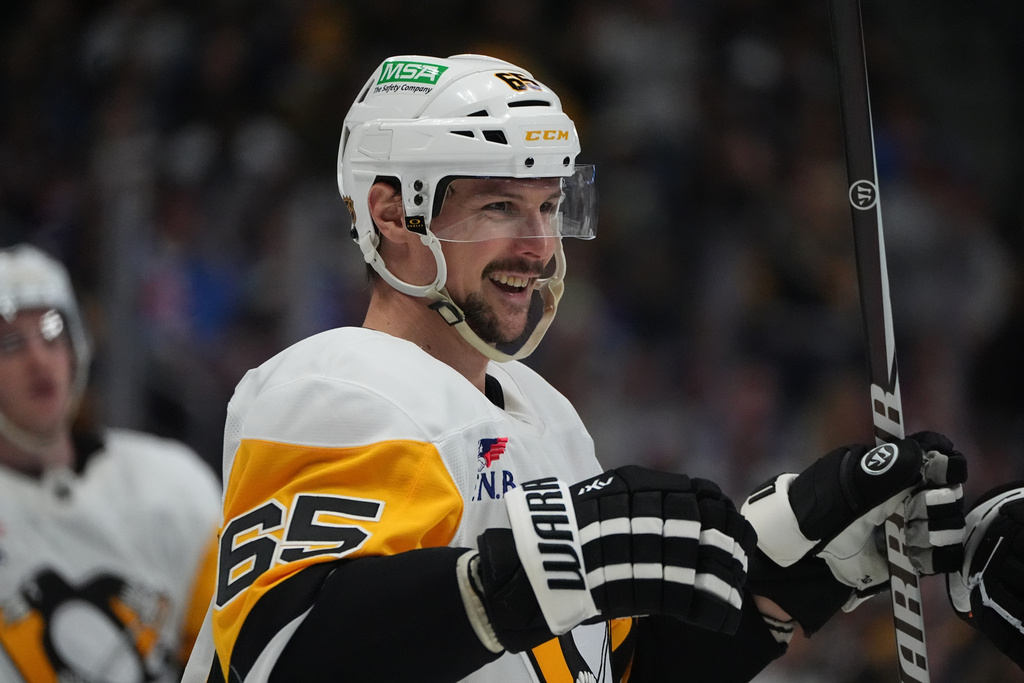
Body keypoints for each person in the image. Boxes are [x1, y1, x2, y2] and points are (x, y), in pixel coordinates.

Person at [183, 54, 967, 682]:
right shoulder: (339, 384)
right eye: (499, 207)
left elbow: (614, 666)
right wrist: (534, 571)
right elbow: (282, 656)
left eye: (550, 207)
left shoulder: (544, 415)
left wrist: (793, 554)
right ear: (392, 214)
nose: (538, 246)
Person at [0, 244, 222, 682]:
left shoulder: (171, 484)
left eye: (51, 332)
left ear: (76, 347)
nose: (39, 358)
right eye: (10, 343)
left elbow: (231, 650)